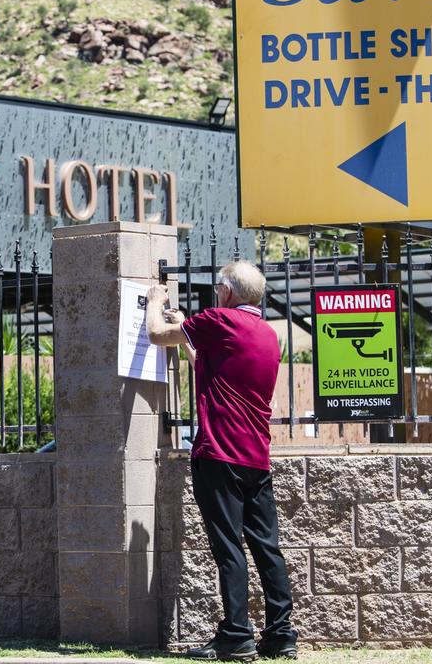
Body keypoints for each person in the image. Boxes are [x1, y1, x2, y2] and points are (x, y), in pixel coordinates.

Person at [145, 261, 295, 661]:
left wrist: (154, 301)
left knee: (229, 547)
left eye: (217, 289)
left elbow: (156, 334)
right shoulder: (267, 334)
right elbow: (209, 365)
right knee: (267, 547)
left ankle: (236, 635)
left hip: (219, 454)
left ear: (227, 292)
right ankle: (281, 635)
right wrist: (188, 330)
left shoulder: (219, 320)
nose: (215, 295)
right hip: (256, 458)